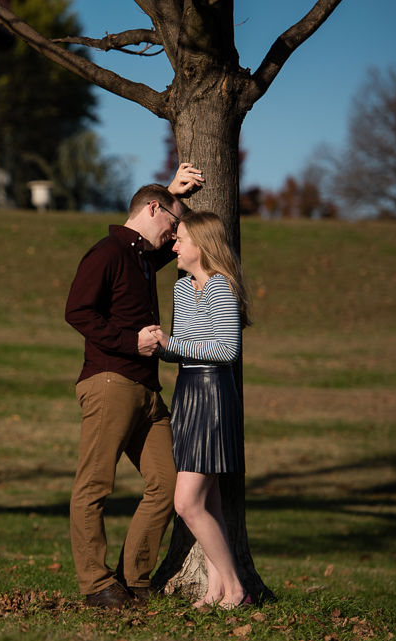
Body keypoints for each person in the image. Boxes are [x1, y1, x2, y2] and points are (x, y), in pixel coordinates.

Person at [65, 163, 204, 608]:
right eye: (173, 222)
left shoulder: (141, 258)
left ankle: (133, 581)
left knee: (168, 484)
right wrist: (129, 341)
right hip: (111, 381)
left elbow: (175, 250)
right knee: (94, 485)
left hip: (148, 391)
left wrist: (171, 190)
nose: (176, 234)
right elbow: (78, 312)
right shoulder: (108, 252)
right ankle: (96, 585)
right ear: (151, 210)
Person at [149, 211, 252, 609]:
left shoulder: (220, 289)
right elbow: (183, 348)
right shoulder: (181, 289)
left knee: (186, 503)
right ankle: (215, 590)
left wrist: (172, 343)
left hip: (213, 394)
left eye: (181, 239)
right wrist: (164, 345)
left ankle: (236, 587)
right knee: (207, 504)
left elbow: (227, 350)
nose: (174, 245)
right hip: (188, 393)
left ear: (202, 246)